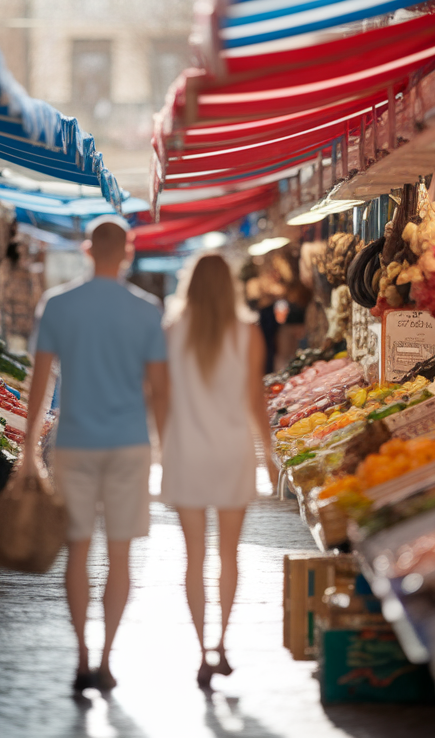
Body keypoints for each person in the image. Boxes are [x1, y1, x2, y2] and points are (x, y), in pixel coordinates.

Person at [21, 216, 169, 694]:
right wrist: (165, 451)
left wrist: (27, 448)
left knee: (78, 552)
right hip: (129, 445)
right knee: (120, 554)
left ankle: (82, 656)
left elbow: (40, 381)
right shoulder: (148, 310)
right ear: (128, 253)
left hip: (74, 443)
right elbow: (160, 390)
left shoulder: (57, 304)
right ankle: (106, 659)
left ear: (87, 251)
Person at [160, 254, 273, 688]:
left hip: (185, 452)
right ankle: (221, 642)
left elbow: (161, 396)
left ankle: (200, 648)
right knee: (229, 555)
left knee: (193, 558)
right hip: (232, 453)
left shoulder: (172, 332)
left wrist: (162, 445)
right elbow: (255, 401)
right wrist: (269, 454)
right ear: (230, 286)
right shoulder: (248, 333)